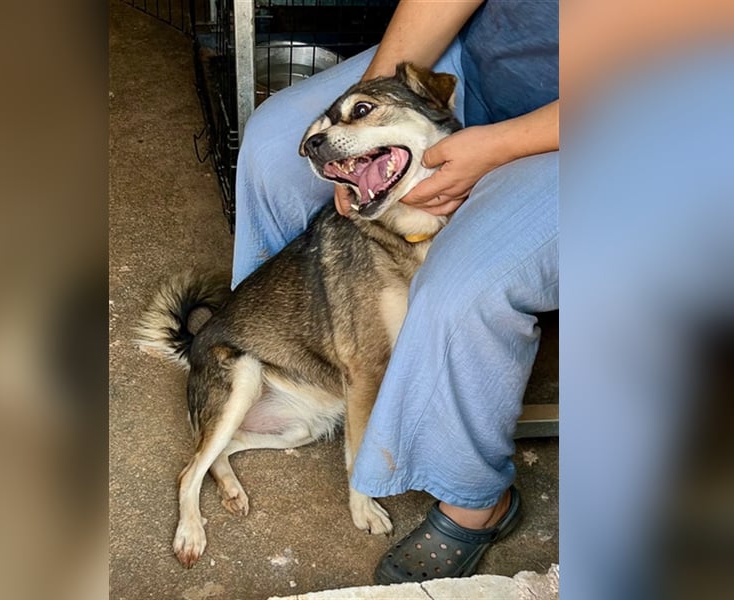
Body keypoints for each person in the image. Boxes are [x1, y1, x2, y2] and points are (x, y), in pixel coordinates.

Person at [232, 0, 558, 584]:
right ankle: (287, 348)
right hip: (479, 65)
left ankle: (476, 504)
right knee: (272, 148)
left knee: (461, 284)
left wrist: (496, 146)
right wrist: (359, 124)